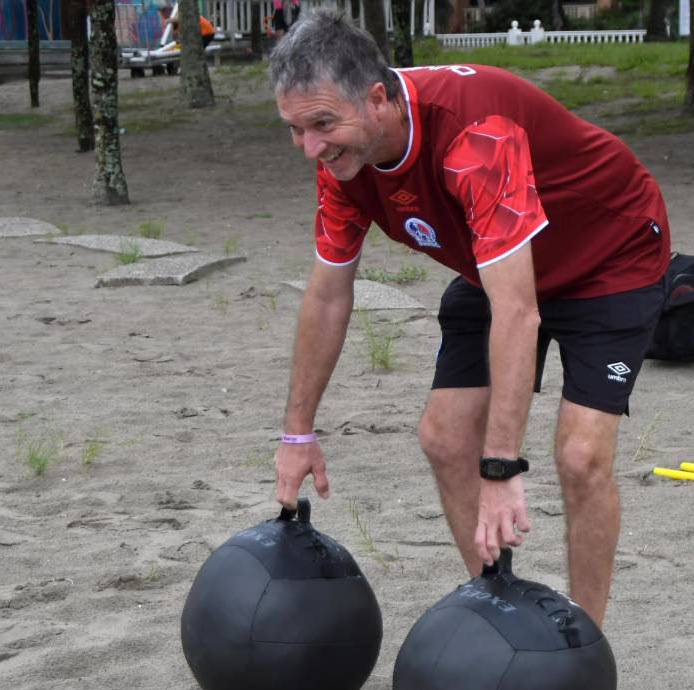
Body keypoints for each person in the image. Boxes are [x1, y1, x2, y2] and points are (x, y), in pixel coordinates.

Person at [268, 11, 670, 627]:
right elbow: (327, 296)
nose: (311, 148)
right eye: (295, 130)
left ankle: (586, 648)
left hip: (608, 256)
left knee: (582, 456)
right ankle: (499, 617)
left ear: (377, 99)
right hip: (498, 263)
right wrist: (297, 435)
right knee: (445, 437)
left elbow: (518, 310)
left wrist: (502, 467)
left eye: (323, 125)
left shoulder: (474, 133)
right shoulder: (342, 167)